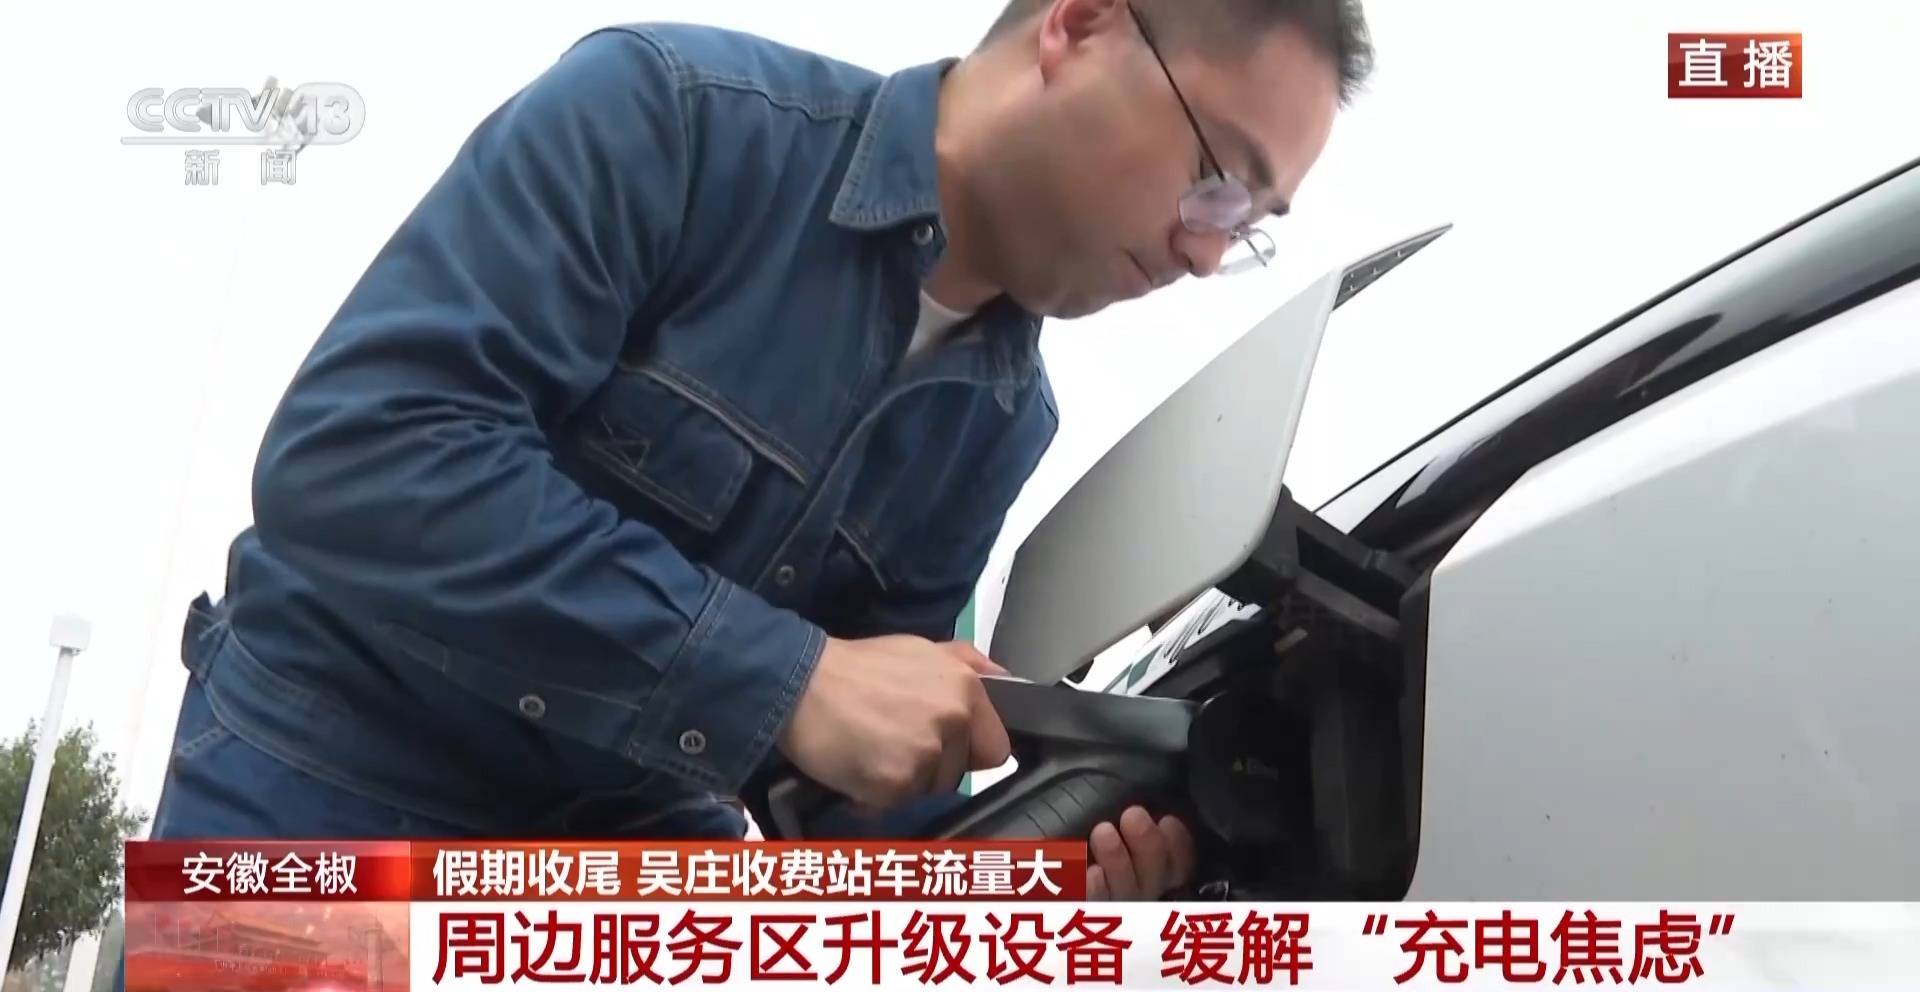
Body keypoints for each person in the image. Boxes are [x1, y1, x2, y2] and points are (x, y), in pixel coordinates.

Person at [144, 0, 1372, 903]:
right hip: (319, 799)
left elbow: (842, 790)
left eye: (1250, 228)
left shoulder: (1003, 420)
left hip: (617, 882)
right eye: (1220, 180)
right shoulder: (670, 116)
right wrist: (790, 677)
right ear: (1082, 25)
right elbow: (360, 454)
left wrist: (1040, 864)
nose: (1207, 251)